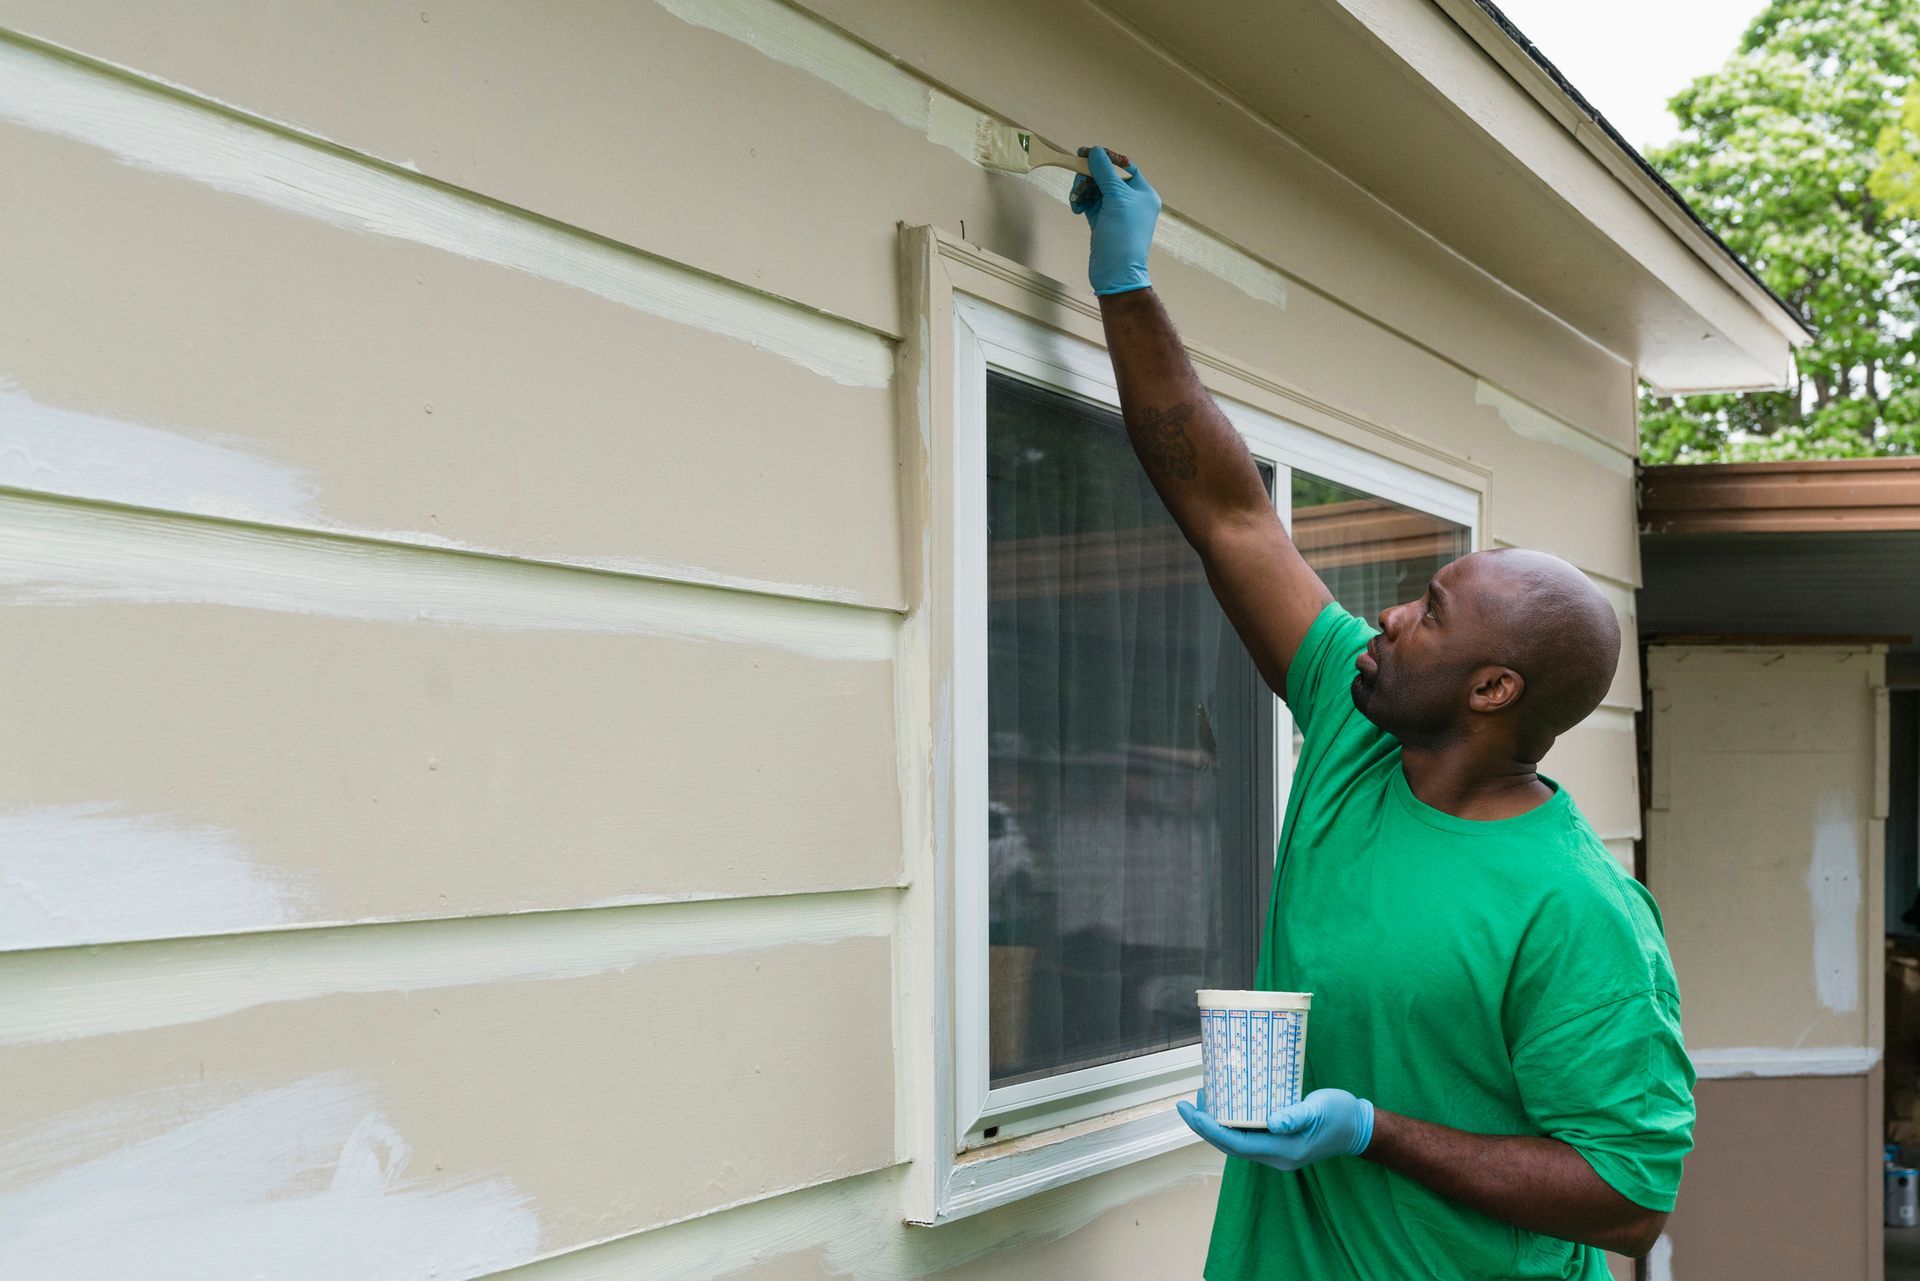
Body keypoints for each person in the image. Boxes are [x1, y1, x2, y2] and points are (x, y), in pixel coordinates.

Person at [1067, 146, 1693, 1278]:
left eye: (1433, 614)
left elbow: (1624, 1200)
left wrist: (1373, 1131)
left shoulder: (1576, 913)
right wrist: (1125, 282)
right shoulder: (1362, 729)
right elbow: (1233, 517)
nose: (1392, 617)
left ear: (1492, 693)